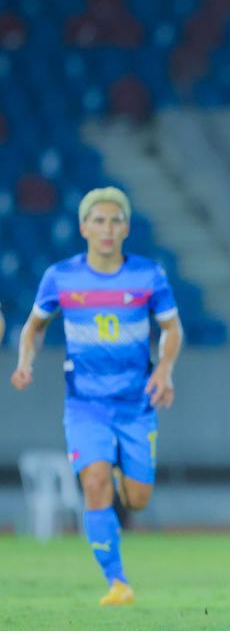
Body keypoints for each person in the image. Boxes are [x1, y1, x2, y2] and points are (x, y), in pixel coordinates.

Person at [10, 186, 183, 606]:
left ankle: (127, 469)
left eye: (116, 220)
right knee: (94, 481)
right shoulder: (60, 277)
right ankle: (117, 582)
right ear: (84, 227)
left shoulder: (149, 276)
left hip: (137, 404)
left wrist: (163, 370)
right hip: (84, 405)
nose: (107, 228)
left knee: (138, 499)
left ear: (126, 228)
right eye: (99, 220)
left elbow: (171, 330)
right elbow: (34, 327)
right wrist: (25, 361)